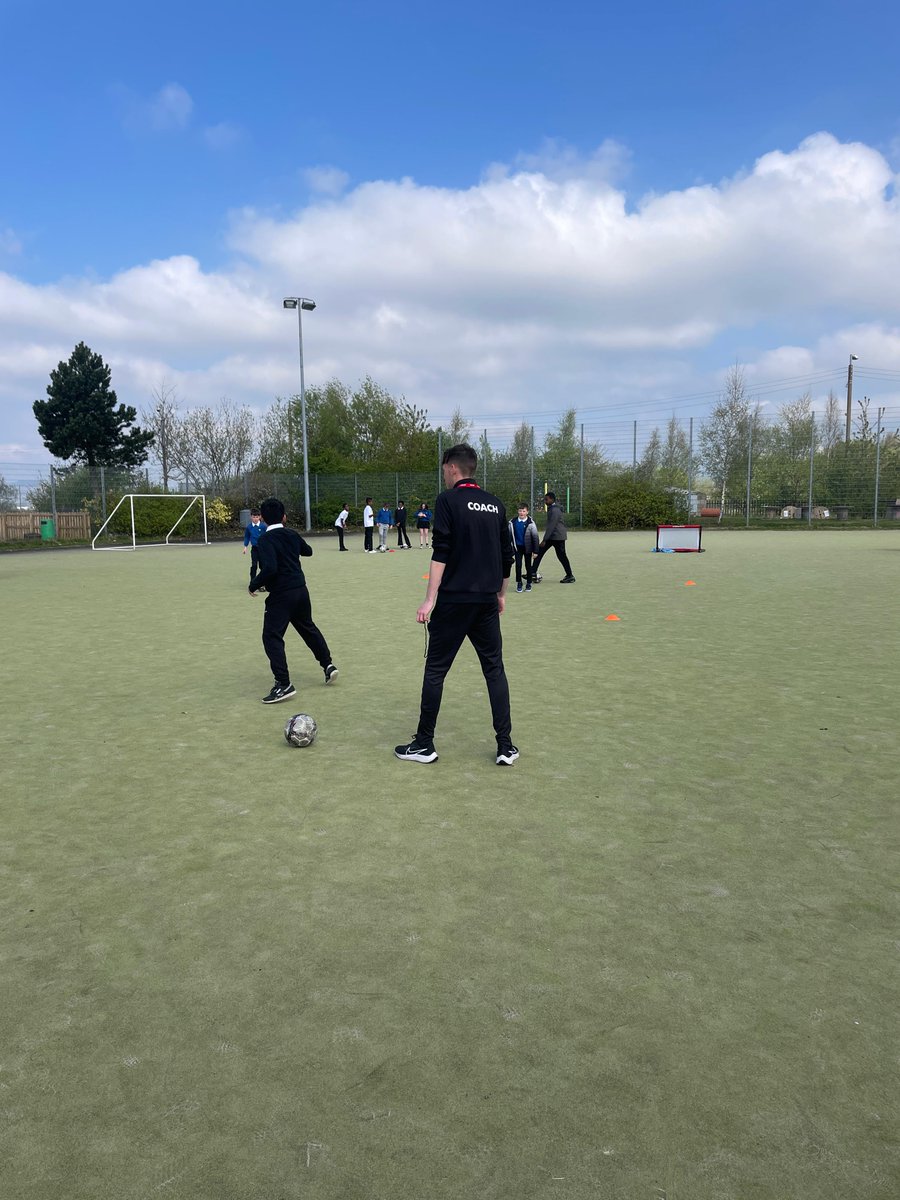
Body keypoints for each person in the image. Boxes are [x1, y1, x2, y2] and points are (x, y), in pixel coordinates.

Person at [395, 444, 518, 766]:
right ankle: (505, 746)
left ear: (452, 467)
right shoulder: (495, 504)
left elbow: (441, 552)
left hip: (453, 601)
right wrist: (501, 594)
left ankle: (424, 744)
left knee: (435, 671)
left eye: (443, 469)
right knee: (495, 671)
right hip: (486, 603)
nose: (443, 475)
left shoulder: (447, 500)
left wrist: (429, 599)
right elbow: (508, 557)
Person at [249, 498, 338, 703]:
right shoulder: (291, 534)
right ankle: (328, 665)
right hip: (301, 590)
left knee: (271, 636)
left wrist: (254, 584)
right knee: (308, 628)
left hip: (281, 595)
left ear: (262, 518)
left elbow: (270, 569)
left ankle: (283, 684)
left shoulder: (265, 540)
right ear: (284, 517)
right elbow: (308, 551)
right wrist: (291, 544)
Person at [532, 492, 575, 583]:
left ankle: (570, 575)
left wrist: (544, 540)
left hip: (557, 537)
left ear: (552, 499)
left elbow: (552, 526)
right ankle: (532, 573)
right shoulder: (552, 508)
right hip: (553, 536)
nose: (545, 501)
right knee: (540, 552)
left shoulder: (555, 510)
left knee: (561, 556)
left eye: (546, 499)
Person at [508, 503, 540, 592]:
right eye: (520, 511)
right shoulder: (512, 522)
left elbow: (535, 538)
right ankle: (519, 583)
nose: (521, 513)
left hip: (528, 548)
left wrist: (536, 551)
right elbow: (509, 536)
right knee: (518, 565)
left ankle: (529, 582)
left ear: (527, 512)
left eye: (524, 511)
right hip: (517, 548)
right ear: (518, 511)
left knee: (528, 565)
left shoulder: (531, 523)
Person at [242, 508, 267, 584]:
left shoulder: (263, 527)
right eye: (253, 517)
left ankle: (263, 582)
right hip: (254, 549)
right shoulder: (249, 527)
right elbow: (247, 537)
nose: (255, 519)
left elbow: (268, 536)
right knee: (254, 565)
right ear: (251, 517)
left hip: (263, 549)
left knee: (263, 566)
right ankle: (253, 582)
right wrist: (245, 547)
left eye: (257, 517)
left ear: (260, 517)